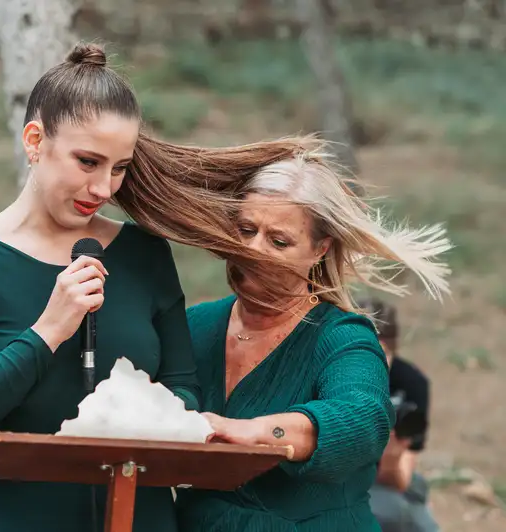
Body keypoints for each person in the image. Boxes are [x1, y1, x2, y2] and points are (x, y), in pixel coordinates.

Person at [0, 43, 205, 532]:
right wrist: (47, 331)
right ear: (34, 141)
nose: (105, 188)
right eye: (88, 162)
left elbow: (185, 394)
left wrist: (139, 418)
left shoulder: (145, 254)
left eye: (120, 167)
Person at [111, 142, 453, 531]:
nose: (254, 249)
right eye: (245, 230)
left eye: (278, 241)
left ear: (319, 250)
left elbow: (363, 417)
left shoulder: (342, 337)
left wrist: (258, 431)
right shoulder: (196, 325)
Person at [358, 298, 440, 532]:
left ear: (390, 348)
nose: (369, 366)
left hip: (386, 479)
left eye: (378, 353)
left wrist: (392, 457)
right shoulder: (326, 378)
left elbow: (402, 477)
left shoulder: (412, 384)